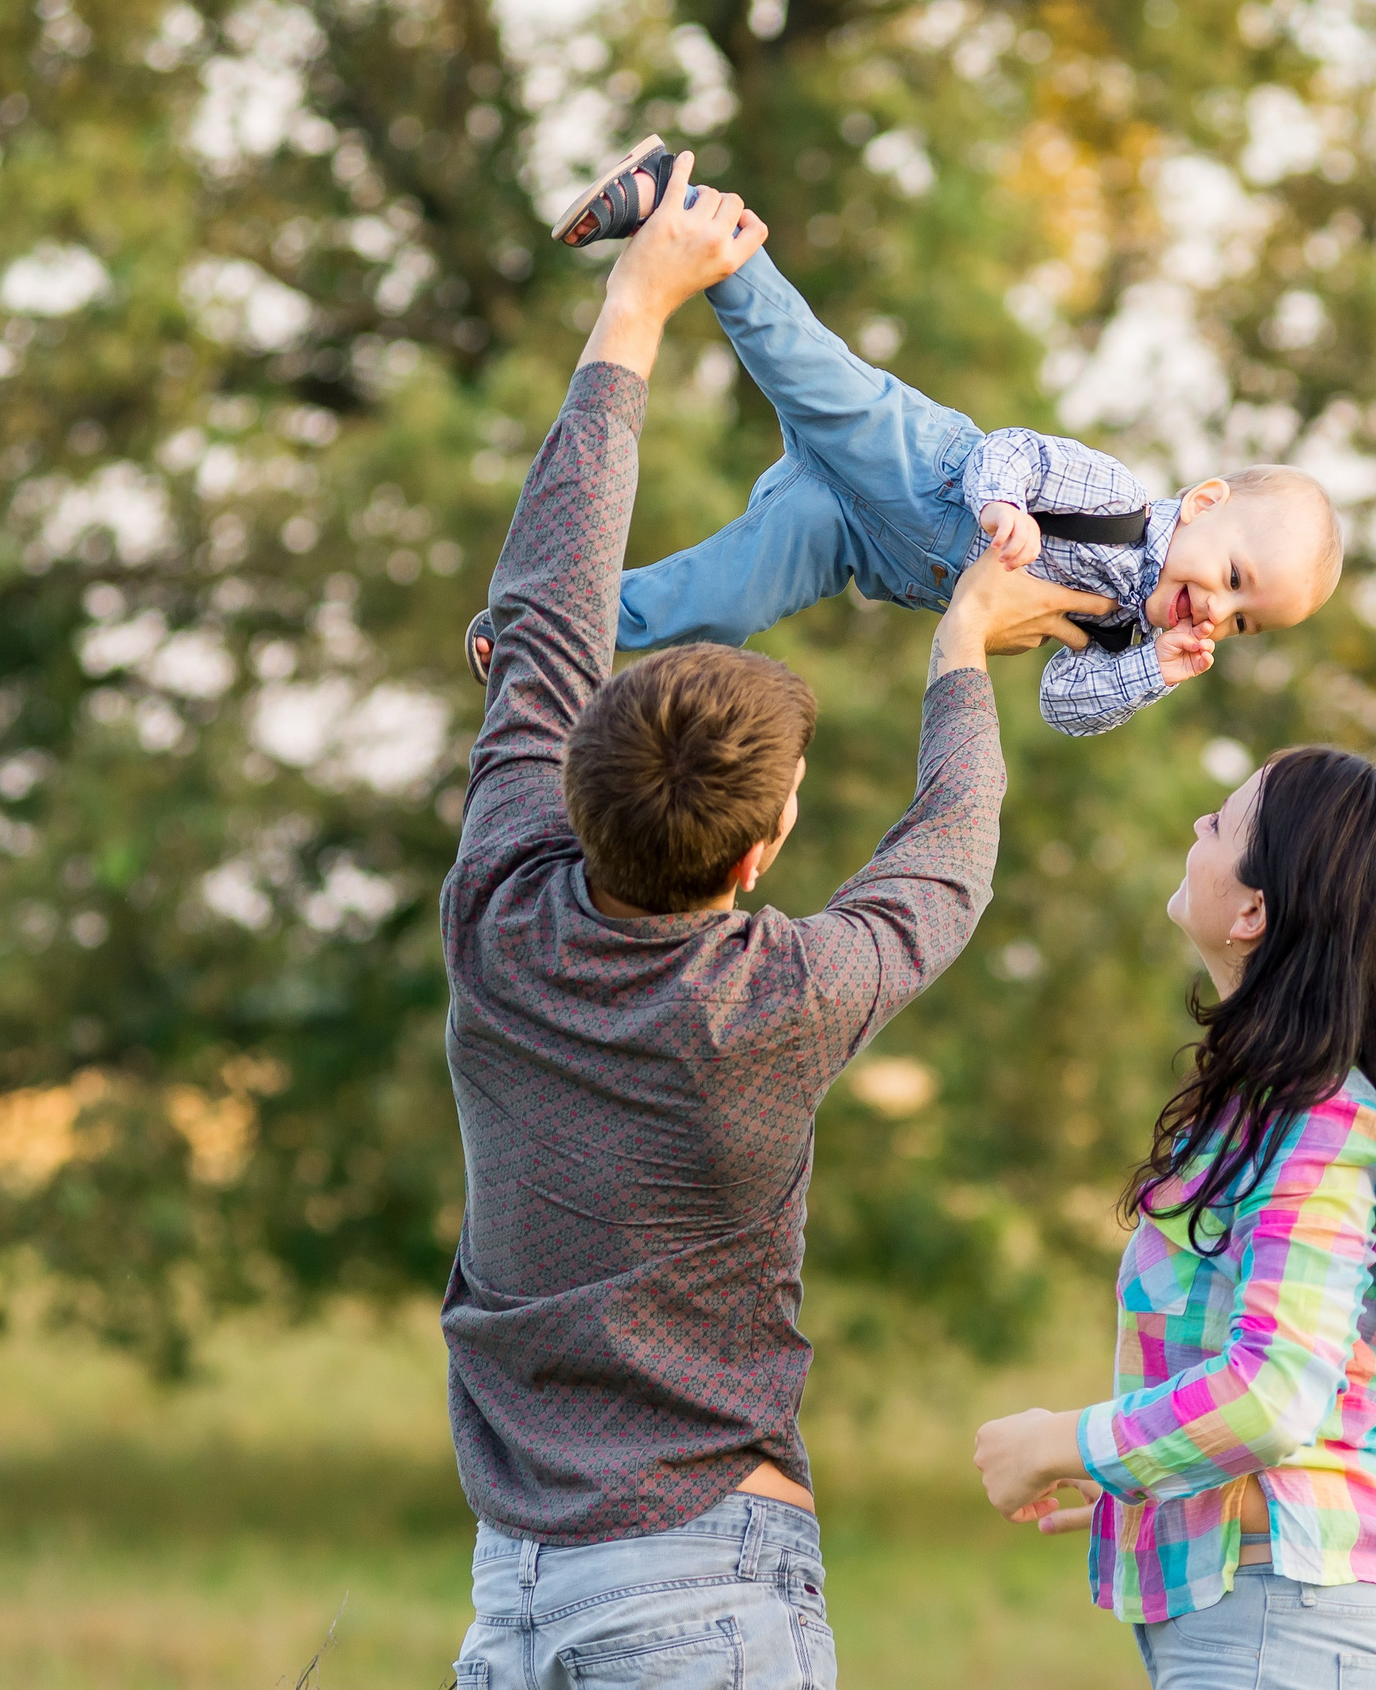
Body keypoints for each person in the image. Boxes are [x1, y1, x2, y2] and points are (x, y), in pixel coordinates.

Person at [440, 156, 1116, 1690]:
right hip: (704, 1585)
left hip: (515, 1591)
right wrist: (964, 643)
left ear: (571, 784)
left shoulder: (497, 910)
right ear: (765, 846)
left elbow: (549, 605)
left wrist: (633, 307)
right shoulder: (774, 1004)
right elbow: (948, 860)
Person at [468, 134, 1346, 738]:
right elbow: (1015, 448)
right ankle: (682, 200)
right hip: (910, 462)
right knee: (792, 355)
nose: (1218, 612)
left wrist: (1155, 669)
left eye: (1241, 625)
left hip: (850, 538)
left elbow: (1062, 705)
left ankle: (541, 624)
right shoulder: (1117, 501)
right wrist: (1003, 507)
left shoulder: (1123, 636)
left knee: (723, 603)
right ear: (1203, 504)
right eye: (1234, 579)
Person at [970, 746, 1376, 1688]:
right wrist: (1127, 1472)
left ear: (1253, 911)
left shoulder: (1319, 1119)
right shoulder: (1282, 1109)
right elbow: (1305, 1389)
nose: (1197, 827)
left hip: (1301, 1634)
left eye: (1223, 824)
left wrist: (1060, 1440)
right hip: (1290, 1626)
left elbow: (1271, 1396)